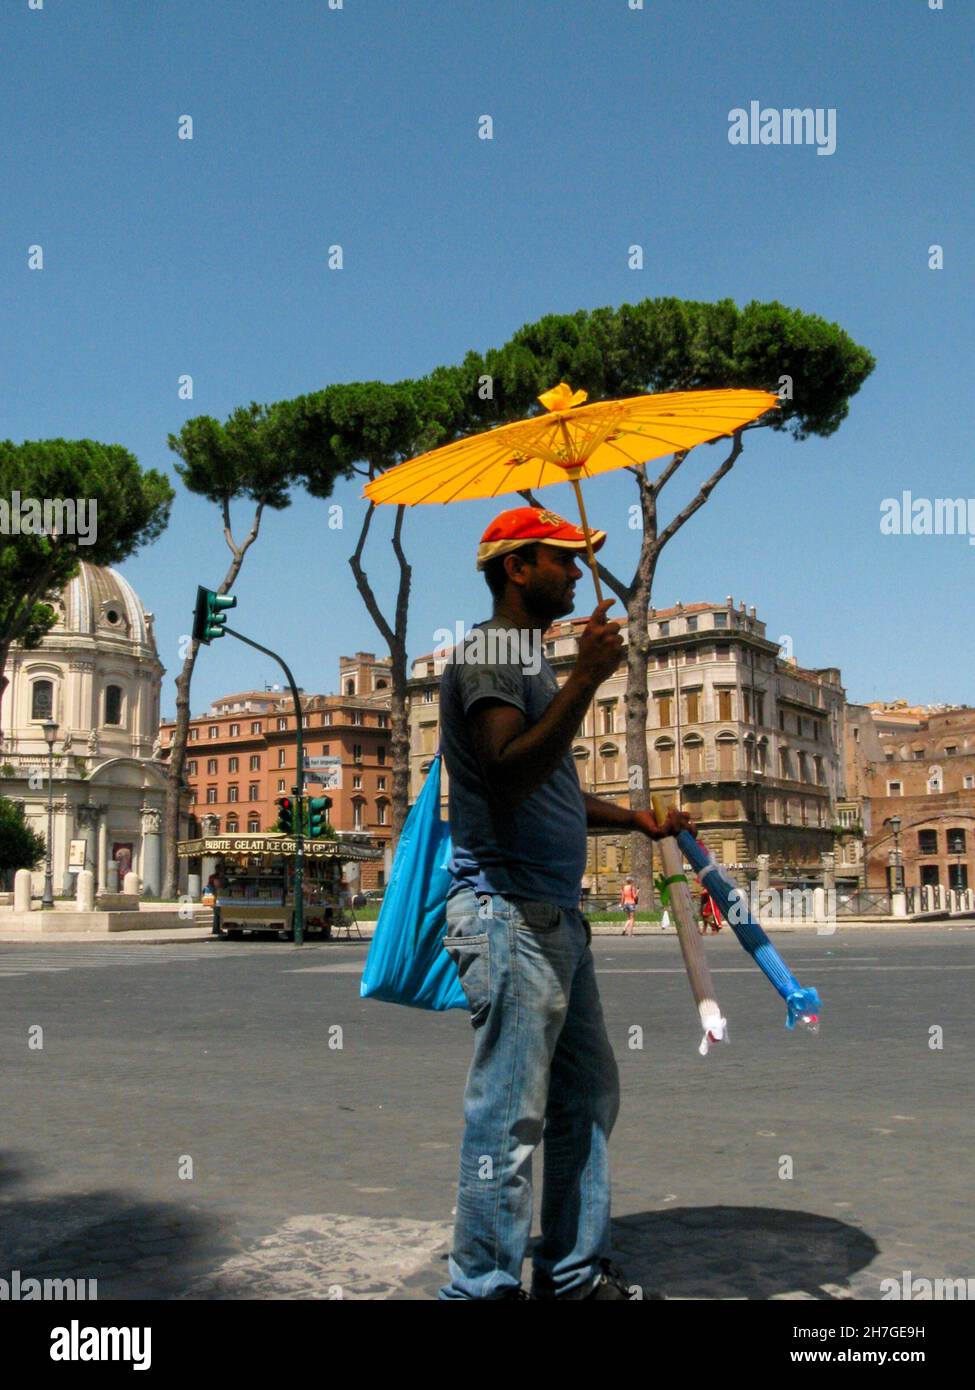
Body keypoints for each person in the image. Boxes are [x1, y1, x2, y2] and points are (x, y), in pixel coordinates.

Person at [437, 505, 693, 1301]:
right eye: (564, 560)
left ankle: (572, 1275)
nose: (577, 575)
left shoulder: (529, 664)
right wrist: (585, 677)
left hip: (550, 918)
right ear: (518, 568)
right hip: (509, 913)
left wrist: (637, 820)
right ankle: (479, 1289)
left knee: (583, 1096)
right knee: (508, 1116)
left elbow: (550, 789)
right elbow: (507, 767)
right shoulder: (491, 654)